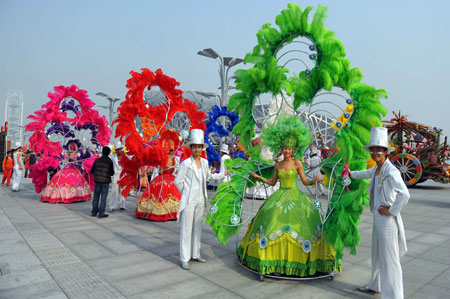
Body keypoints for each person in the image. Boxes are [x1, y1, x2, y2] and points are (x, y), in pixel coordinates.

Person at [241, 115, 339, 277]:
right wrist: (258, 178)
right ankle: (271, 261)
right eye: (285, 148)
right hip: (279, 197)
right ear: (281, 148)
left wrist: (314, 181)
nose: (287, 150)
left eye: (290, 148)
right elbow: (273, 183)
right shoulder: (277, 165)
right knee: (271, 222)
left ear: (294, 149)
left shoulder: (297, 163)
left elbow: (305, 182)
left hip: (296, 197)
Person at [351, 127, 410, 299]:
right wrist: (348, 173)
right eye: (373, 149)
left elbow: (405, 194)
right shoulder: (378, 168)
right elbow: (364, 173)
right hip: (378, 218)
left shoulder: (391, 171)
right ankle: (375, 284)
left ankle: (394, 295)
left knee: (390, 260)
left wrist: (391, 210)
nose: (375, 152)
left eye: (379, 149)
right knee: (376, 255)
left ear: (386, 152)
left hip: (387, 221)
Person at [174, 129, 230, 270]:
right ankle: (184, 258)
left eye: (199, 146)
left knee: (198, 227)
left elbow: (210, 177)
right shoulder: (186, 163)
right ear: (191, 147)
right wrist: (185, 193)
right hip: (189, 200)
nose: (197, 149)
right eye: (194, 146)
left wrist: (223, 174)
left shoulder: (205, 163)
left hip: (201, 199)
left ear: (201, 148)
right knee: (187, 229)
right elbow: (177, 181)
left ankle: (196, 254)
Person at [91, 146, 114, 218]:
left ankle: (94, 212)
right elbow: (112, 173)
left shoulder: (97, 160)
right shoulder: (109, 161)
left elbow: (92, 171)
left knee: (96, 197)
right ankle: (101, 213)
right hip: (105, 182)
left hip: (97, 180)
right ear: (109, 153)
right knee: (103, 197)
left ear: (102, 152)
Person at [109, 142, 126, 212]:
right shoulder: (113, 157)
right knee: (114, 191)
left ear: (121, 149)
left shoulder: (125, 157)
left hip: (123, 175)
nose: (118, 151)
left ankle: (122, 205)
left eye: (119, 149)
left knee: (123, 191)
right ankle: (112, 206)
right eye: (117, 149)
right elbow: (110, 166)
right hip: (115, 176)